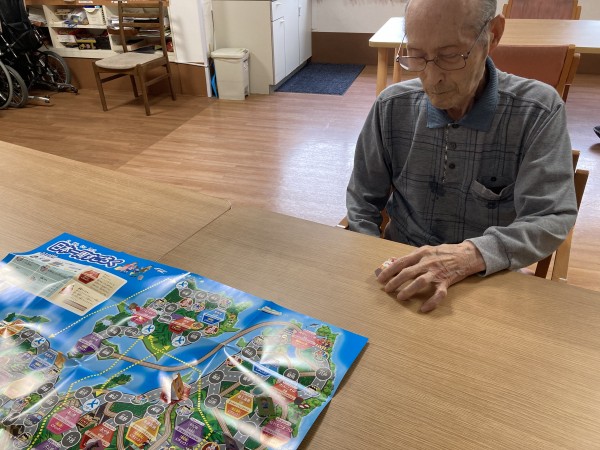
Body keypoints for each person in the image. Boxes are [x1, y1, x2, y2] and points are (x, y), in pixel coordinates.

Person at [346, 0, 577, 313]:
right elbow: (362, 199)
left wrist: (469, 256)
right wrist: (369, 255)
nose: (432, 78)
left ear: (493, 35)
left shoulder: (537, 112)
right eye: (416, 55)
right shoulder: (391, 106)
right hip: (401, 272)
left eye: (450, 55)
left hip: (488, 279)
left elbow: (551, 216)